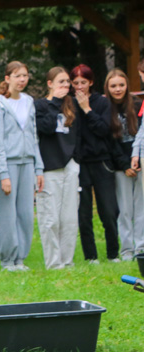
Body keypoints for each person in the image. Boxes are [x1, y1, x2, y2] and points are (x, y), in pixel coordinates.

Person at [0, 61, 44, 271]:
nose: (22, 80)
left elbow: (34, 136)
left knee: (26, 214)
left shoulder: (29, 102)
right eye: (17, 76)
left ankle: (20, 258)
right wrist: (3, 174)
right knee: (8, 214)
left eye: (25, 76)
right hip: (7, 165)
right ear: (7, 78)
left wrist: (39, 168)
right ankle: (7, 260)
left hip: (27, 163)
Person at [35, 67, 82, 269]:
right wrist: (55, 101)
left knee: (69, 218)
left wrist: (76, 159)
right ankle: (54, 263)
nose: (65, 86)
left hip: (70, 166)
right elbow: (44, 127)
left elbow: (78, 134)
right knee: (50, 219)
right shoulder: (41, 105)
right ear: (50, 84)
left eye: (66, 82)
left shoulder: (72, 106)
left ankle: (67, 260)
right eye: (60, 82)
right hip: (49, 167)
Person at [71, 64, 119, 263]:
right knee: (83, 213)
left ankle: (113, 253)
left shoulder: (102, 102)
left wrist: (87, 109)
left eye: (84, 82)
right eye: (76, 83)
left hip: (101, 162)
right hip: (81, 163)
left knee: (108, 210)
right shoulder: (69, 104)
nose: (80, 87)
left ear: (91, 82)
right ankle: (90, 256)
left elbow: (103, 130)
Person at [105, 69, 144, 261]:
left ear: (127, 85)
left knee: (141, 207)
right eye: (113, 86)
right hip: (120, 166)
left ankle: (140, 248)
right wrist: (124, 164)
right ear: (108, 88)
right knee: (125, 208)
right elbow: (109, 141)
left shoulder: (137, 104)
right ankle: (127, 249)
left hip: (140, 162)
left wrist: (137, 160)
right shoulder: (105, 108)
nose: (118, 89)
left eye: (121, 85)